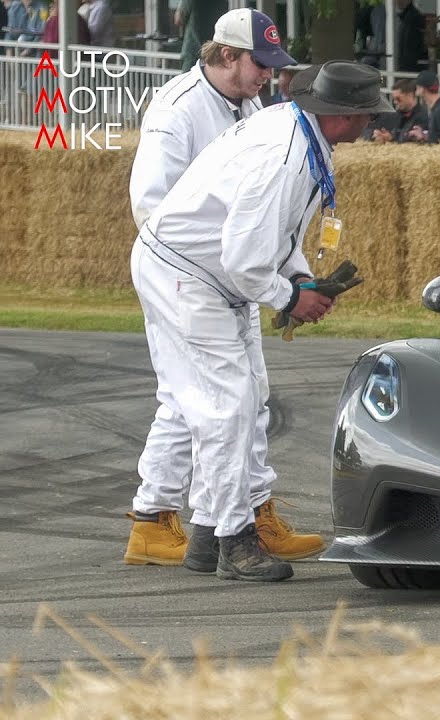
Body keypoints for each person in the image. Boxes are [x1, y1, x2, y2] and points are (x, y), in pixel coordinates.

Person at [130, 61, 388, 581]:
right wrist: (291, 299)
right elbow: (243, 258)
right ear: (346, 116)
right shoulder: (285, 154)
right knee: (227, 407)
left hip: (194, 270)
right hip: (191, 274)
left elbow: (279, 233)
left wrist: (301, 280)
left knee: (238, 401)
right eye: (369, 113)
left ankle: (207, 535)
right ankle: (234, 541)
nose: (374, 124)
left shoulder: (297, 129)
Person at [126, 8, 321, 574]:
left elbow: (267, 213)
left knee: (220, 396)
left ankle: (169, 517)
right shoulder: (179, 106)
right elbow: (151, 202)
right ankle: (197, 518)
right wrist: (197, 278)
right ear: (225, 55)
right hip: (194, 274)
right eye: (259, 63)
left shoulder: (249, 104)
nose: (268, 74)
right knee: (217, 400)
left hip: (228, 274)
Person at [366, 78, 430, 143]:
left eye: (398, 98)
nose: (395, 102)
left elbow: (412, 140)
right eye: (394, 99)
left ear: (410, 95)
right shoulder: (394, 115)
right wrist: (378, 135)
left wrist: (391, 138)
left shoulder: (423, 118)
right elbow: (370, 129)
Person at [405, 70, 440, 145]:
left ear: (422, 89)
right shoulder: (439, 108)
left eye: (417, 87)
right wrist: (423, 136)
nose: (416, 92)